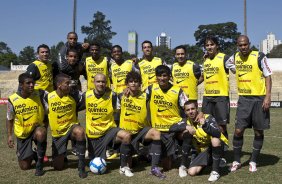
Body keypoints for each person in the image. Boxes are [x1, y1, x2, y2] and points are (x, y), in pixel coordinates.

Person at [228, 35, 272, 172]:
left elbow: (268, 76)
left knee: (258, 131)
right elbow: (226, 63)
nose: (243, 47)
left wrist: (268, 96)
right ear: (237, 45)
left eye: (245, 45)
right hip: (244, 99)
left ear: (249, 44)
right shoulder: (234, 57)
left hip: (259, 99)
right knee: (238, 130)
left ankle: (253, 161)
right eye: (240, 45)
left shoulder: (259, 56)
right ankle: (236, 161)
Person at [82, 73, 133, 177]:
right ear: (93, 82)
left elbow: (125, 99)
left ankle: (123, 167)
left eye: (103, 82)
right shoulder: (86, 96)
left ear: (106, 83)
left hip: (109, 131)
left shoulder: (113, 95)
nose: (101, 84)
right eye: (98, 81)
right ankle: (95, 151)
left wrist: (127, 90)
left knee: (126, 135)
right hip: (94, 135)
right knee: (59, 165)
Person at [117, 71, 165, 179]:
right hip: (126, 133)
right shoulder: (121, 96)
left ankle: (154, 168)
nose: (133, 83)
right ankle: (132, 160)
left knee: (156, 133)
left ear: (140, 84)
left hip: (141, 131)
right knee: (130, 165)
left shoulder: (146, 96)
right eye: (131, 81)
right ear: (127, 84)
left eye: (136, 81)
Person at [170, 101, 228, 182]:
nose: (191, 111)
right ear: (185, 112)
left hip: (217, 146)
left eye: (193, 109)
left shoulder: (208, 118)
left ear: (197, 108)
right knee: (191, 172)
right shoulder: (186, 121)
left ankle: (215, 171)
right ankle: (184, 166)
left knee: (215, 140)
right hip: (203, 151)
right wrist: (186, 126)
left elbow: (217, 133)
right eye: (188, 110)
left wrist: (205, 125)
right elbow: (171, 128)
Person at [146, 65, 188, 172]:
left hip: (171, 129)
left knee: (166, 167)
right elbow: (137, 96)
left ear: (169, 76)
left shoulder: (178, 91)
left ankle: (178, 151)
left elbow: (187, 107)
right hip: (156, 130)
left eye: (164, 75)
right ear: (156, 77)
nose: (162, 78)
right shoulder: (151, 88)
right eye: (159, 76)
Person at [46, 73, 87, 178]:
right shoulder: (48, 97)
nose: (70, 85)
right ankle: (62, 155)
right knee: (58, 166)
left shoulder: (74, 95)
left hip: (71, 128)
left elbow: (88, 97)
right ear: (59, 85)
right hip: (58, 134)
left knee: (80, 131)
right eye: (67, 83)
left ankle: (81, 166)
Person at [6, 73, 47, 176]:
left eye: (33, 83)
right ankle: (33, 154)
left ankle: (40, 164)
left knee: (41, 132)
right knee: (24, 167)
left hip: (36, 129)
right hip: (22, 133)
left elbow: (54, 97)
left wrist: (45, 125)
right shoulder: (13, 100)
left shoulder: (41, 94)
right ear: (21, 85)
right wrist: (10, 135)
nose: (32, 85)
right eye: (28, 83)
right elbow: (9, 119)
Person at [199, 36, 230, 160]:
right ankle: (211, 152)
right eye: (207, 45)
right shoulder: (205, 61)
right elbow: (202, 77)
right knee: (206, 124)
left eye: (211, 44)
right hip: (207, 97)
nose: (209, 47)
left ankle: (222, 153)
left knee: (221, 126)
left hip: (221, 96)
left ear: (217, 45)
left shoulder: (224, 58)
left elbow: (235, 70)